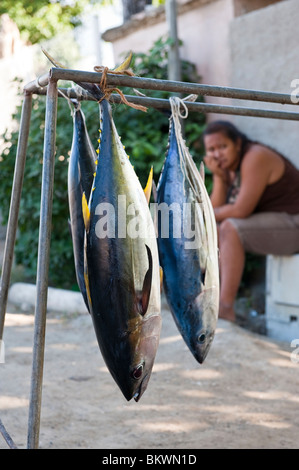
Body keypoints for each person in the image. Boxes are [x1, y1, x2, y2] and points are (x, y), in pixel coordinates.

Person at [203, 120, 299, 322]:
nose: (217, 154)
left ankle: (226, 307)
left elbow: (239, 210)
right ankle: (211, 299)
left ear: (237, 143)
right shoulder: (229, 167)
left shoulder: (255, 156)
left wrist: (199, 216)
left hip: (294, 223)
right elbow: (216, 210)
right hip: (277, 224)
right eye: (211, 149)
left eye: (223, 146)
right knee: (218, 228)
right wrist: (218, 178)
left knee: (229, 228)